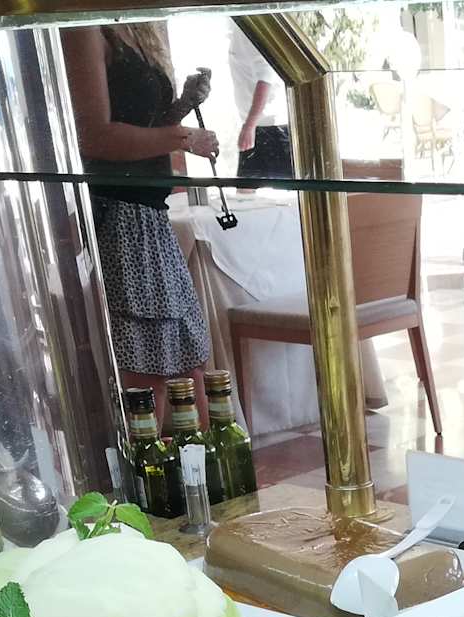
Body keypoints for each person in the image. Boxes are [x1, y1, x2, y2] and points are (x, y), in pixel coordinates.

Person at [61, 23, 221, 419]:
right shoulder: (84, 28)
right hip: (118, 217)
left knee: (188, 360)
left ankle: (197, 456)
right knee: (147, 371)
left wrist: (181, 108)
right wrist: (184, 137)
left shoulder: (131, 27)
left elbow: (139, 125)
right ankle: (152, 455)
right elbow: (94, 137)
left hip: (149, 214)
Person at [227, 24, 292, 181]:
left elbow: (265, 80)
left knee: (289, 188)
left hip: (269, 128)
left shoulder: (250, 32)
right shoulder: (239, 30)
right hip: (256, 125)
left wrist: (250, 125)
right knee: (245, 191)